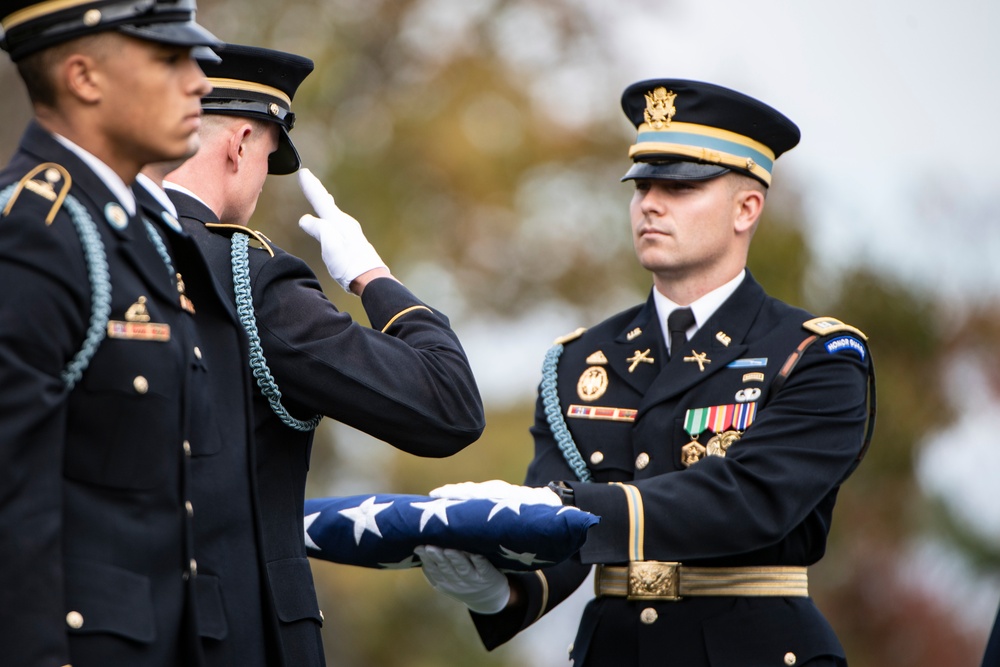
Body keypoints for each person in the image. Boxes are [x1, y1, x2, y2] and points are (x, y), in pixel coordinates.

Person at [418, 79, 876, 666]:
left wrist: (556, 506)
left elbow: (749, 501)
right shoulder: (583, 360)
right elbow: (559, 547)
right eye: (643, 186)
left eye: (681, 186)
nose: (651, 204)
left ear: (746, 208)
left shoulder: (816, 356)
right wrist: (495, 586)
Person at [139, 43, 485, 666]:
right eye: (269, 156)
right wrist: (372, 277)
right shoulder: (246, 276)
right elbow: (447, 405)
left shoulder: (76, 249)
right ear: (240, 141)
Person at [0, 2, 238, 666]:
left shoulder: (126, 231)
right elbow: (12, 512)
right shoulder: (35, 233)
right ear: (83, 77)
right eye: (169, 59)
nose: (200, 82)